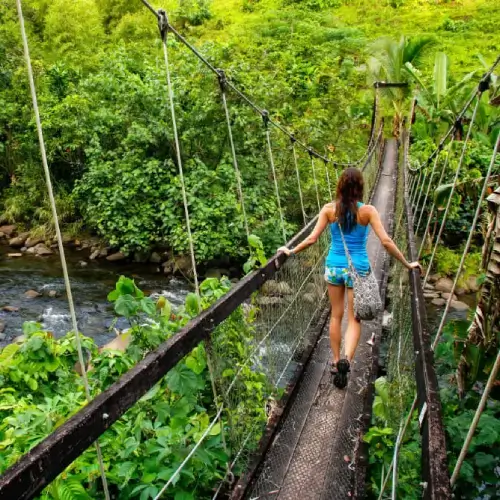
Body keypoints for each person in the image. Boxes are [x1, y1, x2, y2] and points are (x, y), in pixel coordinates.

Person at [278, 167, 422, 389]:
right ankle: (347, 358)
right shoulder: (368, 212)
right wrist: (407, 264)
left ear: (340, 187)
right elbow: (386, 242)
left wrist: (290, 251)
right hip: (359, 270)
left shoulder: (328, 210)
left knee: (336, 316)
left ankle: (335, 362)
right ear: (360, 188)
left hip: (334, 268)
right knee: (355, 319)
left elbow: (312, 239)